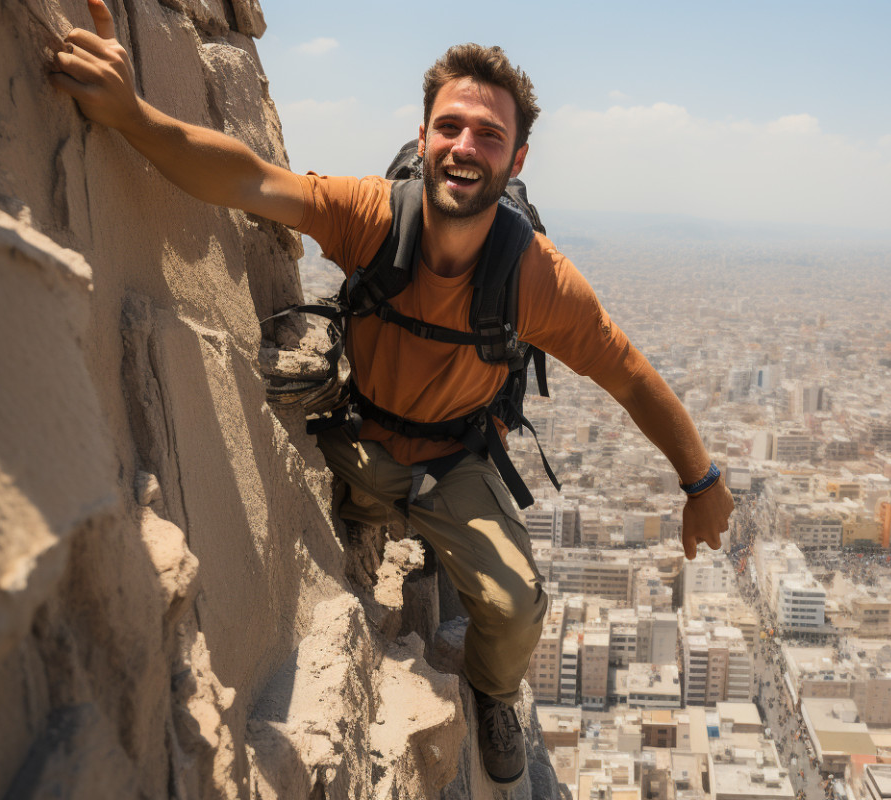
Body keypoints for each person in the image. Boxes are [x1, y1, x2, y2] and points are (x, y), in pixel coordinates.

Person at [48, 0, 734, 786]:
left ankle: (494, 690)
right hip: (359, 438)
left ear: (517, 158)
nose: (465, 146)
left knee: (516, 607)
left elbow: (630, 374)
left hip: (454, 460)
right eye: (451, 127)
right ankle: (377, 525)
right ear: (424, 136)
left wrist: (702, 480)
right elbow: (248, 179)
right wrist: (133, 116)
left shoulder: (535, 278)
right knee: (328, 498)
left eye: (489, 135)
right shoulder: (374, 217)